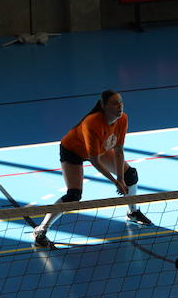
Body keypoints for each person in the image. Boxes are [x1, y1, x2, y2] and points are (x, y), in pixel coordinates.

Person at [34, 89, 152, 248]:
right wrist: (115, 181)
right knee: (73, 195)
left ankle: (133, 212)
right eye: (115, 103)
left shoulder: (122, 119)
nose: (120, 106)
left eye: (121, 103)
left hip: (100, 148)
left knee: (130, 175)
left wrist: (121, 178)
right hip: (73, 151)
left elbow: (118, 151)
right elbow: (95, 161)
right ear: (104, 106)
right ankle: (42, 229)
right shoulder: (92, 123)